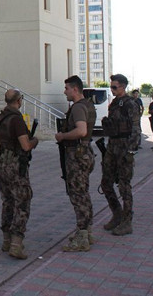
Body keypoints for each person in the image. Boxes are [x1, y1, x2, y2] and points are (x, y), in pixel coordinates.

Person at [0, 89, 39, 259]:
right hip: (16, 166)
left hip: (3, 163)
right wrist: (35, 141)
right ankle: (16, 244)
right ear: (19, 100)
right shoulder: (16, 119)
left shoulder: (0, 118)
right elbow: (25, 145)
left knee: (7, 201)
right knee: (22, 202)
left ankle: (6, 241)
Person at [55, 75, 96, 252]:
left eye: (67, 88)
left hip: (77, 155)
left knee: (78, 195)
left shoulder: (78, 107)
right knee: (83, 193)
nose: (65, 92)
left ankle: (82, 237)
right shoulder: (87, 105)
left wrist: (62, 136)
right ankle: (86, 232)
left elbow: (81, 131)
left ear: (75, 89)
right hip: (83, 153)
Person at [100, 74, 139, 236]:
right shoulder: (114, 103)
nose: (112, 89)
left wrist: (131, 151)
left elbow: (136, 129)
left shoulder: (130, 104)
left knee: (124, 186)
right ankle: (117, 214)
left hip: (124, 148)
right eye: (111, 87)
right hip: (112, 147)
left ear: (123, 87)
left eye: (114, 87)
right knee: (106, 183)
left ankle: (127, 221)